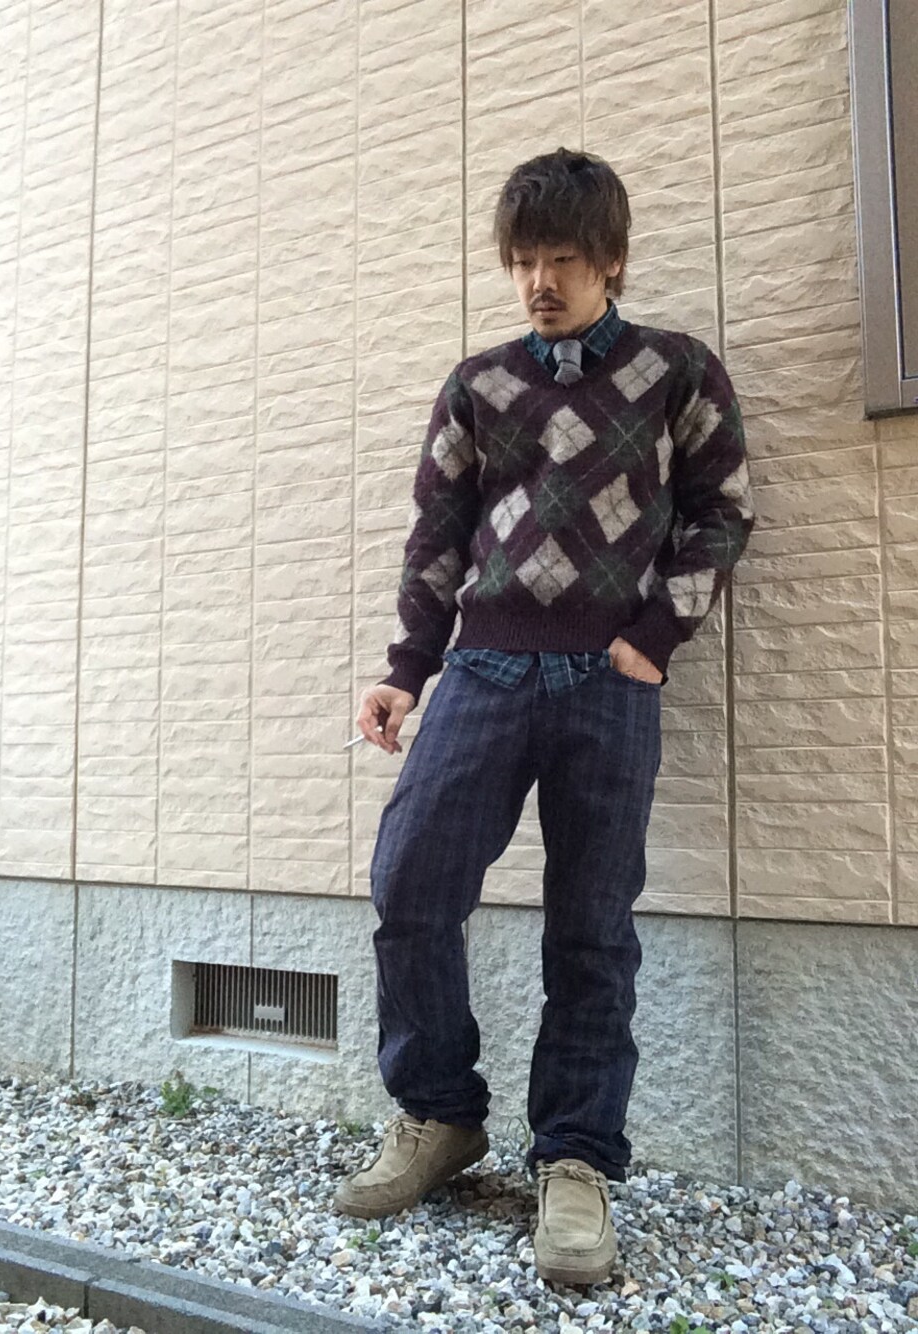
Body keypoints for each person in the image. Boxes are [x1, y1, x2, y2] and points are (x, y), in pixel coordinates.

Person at [333, 146, 755, 1288]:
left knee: (591, 924)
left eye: (562, 258)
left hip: (610, 682)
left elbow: (721, 511)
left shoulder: (676, 371)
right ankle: (439, 1114)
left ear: (611, 260)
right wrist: (408, 667)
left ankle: (574, 1159)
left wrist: (653, 637)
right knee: (410, 880)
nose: (538, 282)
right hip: (482, 669)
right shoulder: (478, 384)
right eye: (522, 259)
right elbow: (438, 533)